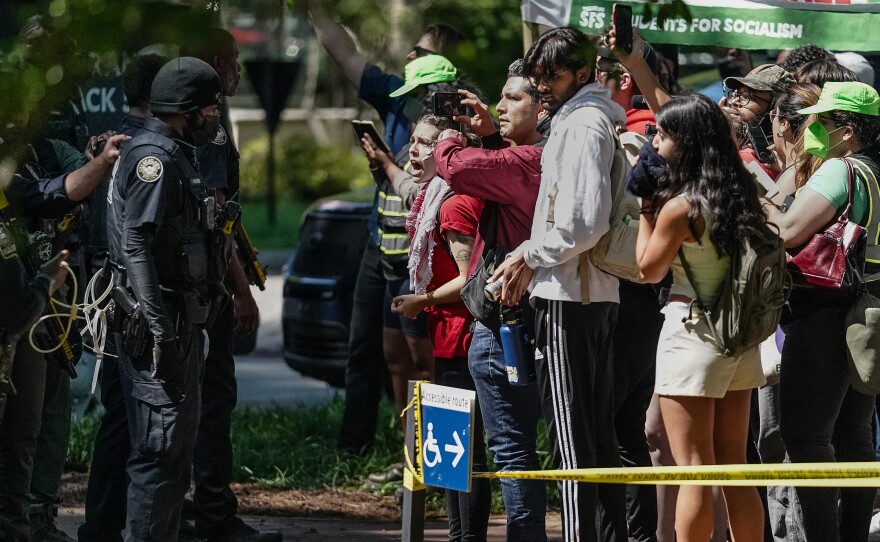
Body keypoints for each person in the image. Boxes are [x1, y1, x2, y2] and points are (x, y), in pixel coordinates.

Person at [305, 0, 464, 458]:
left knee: (428, 362)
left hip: (428, 264)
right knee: (392, 357)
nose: (409, 59)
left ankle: (441, 461)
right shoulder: (397, 94)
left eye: (422, 53)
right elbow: (345, 55)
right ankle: (410, 456)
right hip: (386, 249)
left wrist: (388, 164)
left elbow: (425, 191)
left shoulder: (459, 128)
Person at [492, 26, 627, 542]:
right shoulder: (582, 119)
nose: (543, 85)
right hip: (585, 292)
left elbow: (583, 222)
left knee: (572, 440)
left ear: (583, 73)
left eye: (554, 74)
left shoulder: (582, 125)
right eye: (539, 74)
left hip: (571, 296)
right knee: (593, 436)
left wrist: (530, 253)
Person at [635, 92, 767, 542]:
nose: (655, 141)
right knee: (734, 466)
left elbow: (647, 269)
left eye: (663, 133)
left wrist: (644, 209)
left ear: (687, 142)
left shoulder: (680, 207)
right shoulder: (742, 190)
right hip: (739, 335)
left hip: (691, 334)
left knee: (692, 468)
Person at [106, 56, 228, 542]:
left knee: (175, 451)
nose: (215, 117)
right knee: (158, 452)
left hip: (180, 322)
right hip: (161, 329)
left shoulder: (174, 149)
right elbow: (136, 245)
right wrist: (160, 331)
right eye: (210, 109)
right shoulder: (152, 159)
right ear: (186, 109)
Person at [429, 60, 547, 541]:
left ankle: (524, 534)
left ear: (544, 108)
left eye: (513, 98)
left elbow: (455, 166)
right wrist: (490, 136)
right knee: (535, 447)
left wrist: (445, 136)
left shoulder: (527, 161)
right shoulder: (542, 158)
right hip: (529, 322)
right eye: (499, 97)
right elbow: (497, 168)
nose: (500, 106)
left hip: (505, 326)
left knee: (512, 449)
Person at [761, 81, 880, 542]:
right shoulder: (875, 170)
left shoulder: (840, 170)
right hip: (864, 317)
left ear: (847, 132)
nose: (812, 126)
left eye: (822, 121)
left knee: (807, 437)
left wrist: (755, 194)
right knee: (855, 437)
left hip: (822, 314)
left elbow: (788, 230)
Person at [0, 130, 127, 541]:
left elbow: (74, 179)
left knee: (34, 431)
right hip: (25, 308)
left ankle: (32, 524)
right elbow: (48, 194)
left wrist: (96, 161)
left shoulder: (44, 147)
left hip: (42, 312)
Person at [186, 28, 279, 542]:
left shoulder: (181, 118)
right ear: (219, 61)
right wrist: (241, 292)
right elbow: (215, 215)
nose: (240, 69)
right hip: (211, 291)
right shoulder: (211, 126)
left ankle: (186, 510)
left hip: (191, 286)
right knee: (213, 398)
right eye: (237, 59)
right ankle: (216, 515)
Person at [77, 52, 167, 542]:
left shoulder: (114, 142)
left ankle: (108, 524)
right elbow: (135, 241)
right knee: (132, 424)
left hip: (121, 297)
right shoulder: (143, 149)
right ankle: (109, 526)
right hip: (132, 302)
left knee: (125, 420)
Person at [390, 114, 489, 542]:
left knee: (460, 451)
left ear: (450, 155)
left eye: (427, 143)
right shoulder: (433, 197)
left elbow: (469, 277)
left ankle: (465, 538)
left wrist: (423, 300)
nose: (414, 149)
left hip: (462, 339)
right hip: (448, 335)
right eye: (413, 140)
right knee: (451, 452)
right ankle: (458, 536)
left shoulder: (452, 203)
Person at [757, 82, 821, 542]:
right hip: (791, 321)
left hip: (796, 321)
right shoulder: (803, 173)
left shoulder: (820, 174)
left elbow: (785, 231)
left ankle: (790, 533)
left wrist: (747, 188)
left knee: (789, 437)